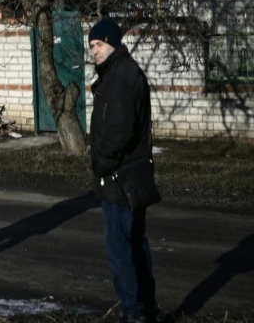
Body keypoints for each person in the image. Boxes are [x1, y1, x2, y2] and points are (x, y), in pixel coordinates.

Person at [88, 17, 161, 323]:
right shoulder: (121, 72)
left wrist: (101, 165)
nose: (94, 51)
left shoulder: (119, 78)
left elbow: (119, 132)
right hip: (131, 176)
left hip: (119, 178)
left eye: (99, 44)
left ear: (113, 43)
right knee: (136, 245)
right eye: (91, 46)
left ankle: (134, 313)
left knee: (121, 252)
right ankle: (147, 308)